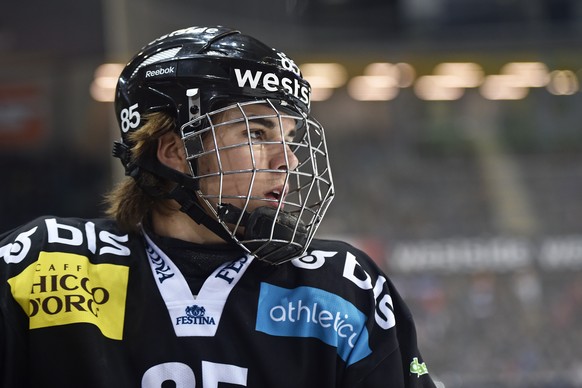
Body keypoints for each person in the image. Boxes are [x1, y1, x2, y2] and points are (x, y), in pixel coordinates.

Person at [0, 26, 437, 387]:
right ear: (174, 151)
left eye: (288, 138)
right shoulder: (43, 266)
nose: (287, 160)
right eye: (257, 133)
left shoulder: (341, 287)